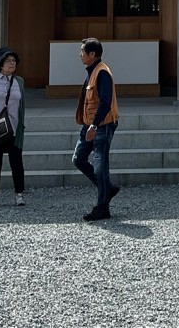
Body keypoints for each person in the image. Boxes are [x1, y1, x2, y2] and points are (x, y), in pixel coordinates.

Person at [73, 38, 121, 221]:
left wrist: (94, 125)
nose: (80, 55)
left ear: (92, 54)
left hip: (102, 124)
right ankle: (107, 188)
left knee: (100, 166)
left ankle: (102, 207)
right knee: (78, 159)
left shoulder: (102, 73)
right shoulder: (92, 71)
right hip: (90, 123)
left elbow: (106, 102)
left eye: (82, 51)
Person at [0, 49, 27, 208]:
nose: (12, 63)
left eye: (14, 60)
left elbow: (22, 106)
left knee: (16, 162)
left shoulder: (19, 82)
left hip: (14, 127)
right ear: (0, 64)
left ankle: (19, 194)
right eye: (8, 60)